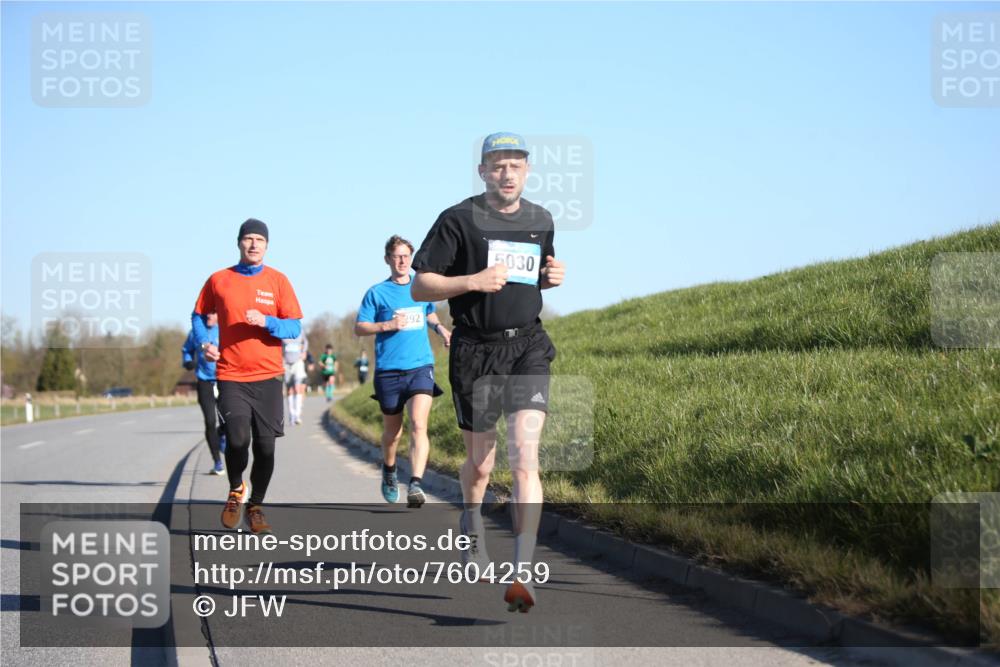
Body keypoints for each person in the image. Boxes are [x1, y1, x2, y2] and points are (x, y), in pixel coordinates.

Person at [411, 132, 566, 612]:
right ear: (482, 171)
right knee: (481, 465)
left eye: (515, 165)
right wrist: (470, 282)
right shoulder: (457, 219)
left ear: (527, 170)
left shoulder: (541, 219)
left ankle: (522, 573)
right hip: (474, 352)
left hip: (527, 348)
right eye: (497, 165)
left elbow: (535, 274)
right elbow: (420, 285)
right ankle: (471, 518)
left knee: (524, 458)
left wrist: (551, 277)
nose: (507, 173)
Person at [191, 218, 303, 535]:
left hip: (268, 376)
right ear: (239, 242)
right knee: (238, 439)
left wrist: (267, 321)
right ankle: (235, 488)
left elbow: (294, 327)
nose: (254, 244)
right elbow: (198, 315)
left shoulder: (278, 281)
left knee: (266, 448)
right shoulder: (219, 280)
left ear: (267, 246)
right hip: (231, 374)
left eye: (259, 240)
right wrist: (203, 343)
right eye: (248, 238)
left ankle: (255, 505)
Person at [355, 235, 451, 508]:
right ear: (387, 259)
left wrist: (441, 329)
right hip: (388, 371)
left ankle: (416, 483)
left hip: (420, 365)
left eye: (406, 256)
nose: (402, 261)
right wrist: (386, 326)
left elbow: (428, 312)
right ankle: (389, 468)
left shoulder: (421, 287)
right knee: (393, 433)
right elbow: (360, 327)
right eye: (397, 256)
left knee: (419, 424)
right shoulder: (377, 293)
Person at [182, 312, 226, 474]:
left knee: (228, 419)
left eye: (214, 313)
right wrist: (187, 361)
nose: (209, 316)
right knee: (209, 421)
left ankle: (222, 434)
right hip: (204, 380)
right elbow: (186, 350)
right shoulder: (195, 332)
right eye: (206, 312)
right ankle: (217, 462)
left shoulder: (224, 330)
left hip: (224, 379)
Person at [281, 331, 309, 425]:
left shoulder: (299, 329)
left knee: (297, 388)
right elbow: (278, 346)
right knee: (289, 390)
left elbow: (305, 342)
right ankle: (292, 415)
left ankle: (297, 415)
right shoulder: (282, 329)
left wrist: (304, 351)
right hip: (286, 363)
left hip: (298, 362)